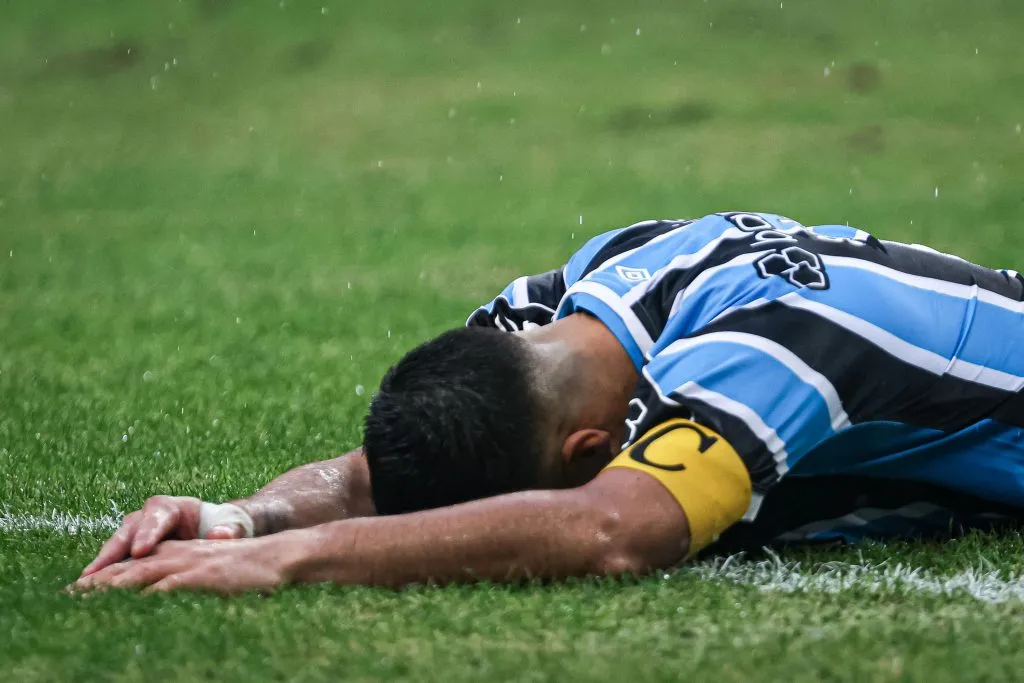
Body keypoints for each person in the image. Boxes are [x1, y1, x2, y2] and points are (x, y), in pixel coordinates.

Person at [74, 212, 1024, 594]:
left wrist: (297, 557)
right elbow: (395, 475)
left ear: (584, 449)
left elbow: (613, 530)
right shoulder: (543, 320)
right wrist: (245, 517)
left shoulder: (772, 346)